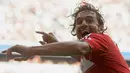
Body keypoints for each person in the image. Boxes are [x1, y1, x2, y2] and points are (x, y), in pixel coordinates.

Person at [2, 3, 130, 73]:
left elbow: (79, 48)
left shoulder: (101, 39)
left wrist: (30, 50)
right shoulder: (93, 54)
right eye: (79, 22)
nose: (84, 24)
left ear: (100, 27)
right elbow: (78, 54)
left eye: (89, 20)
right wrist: (56, 43)